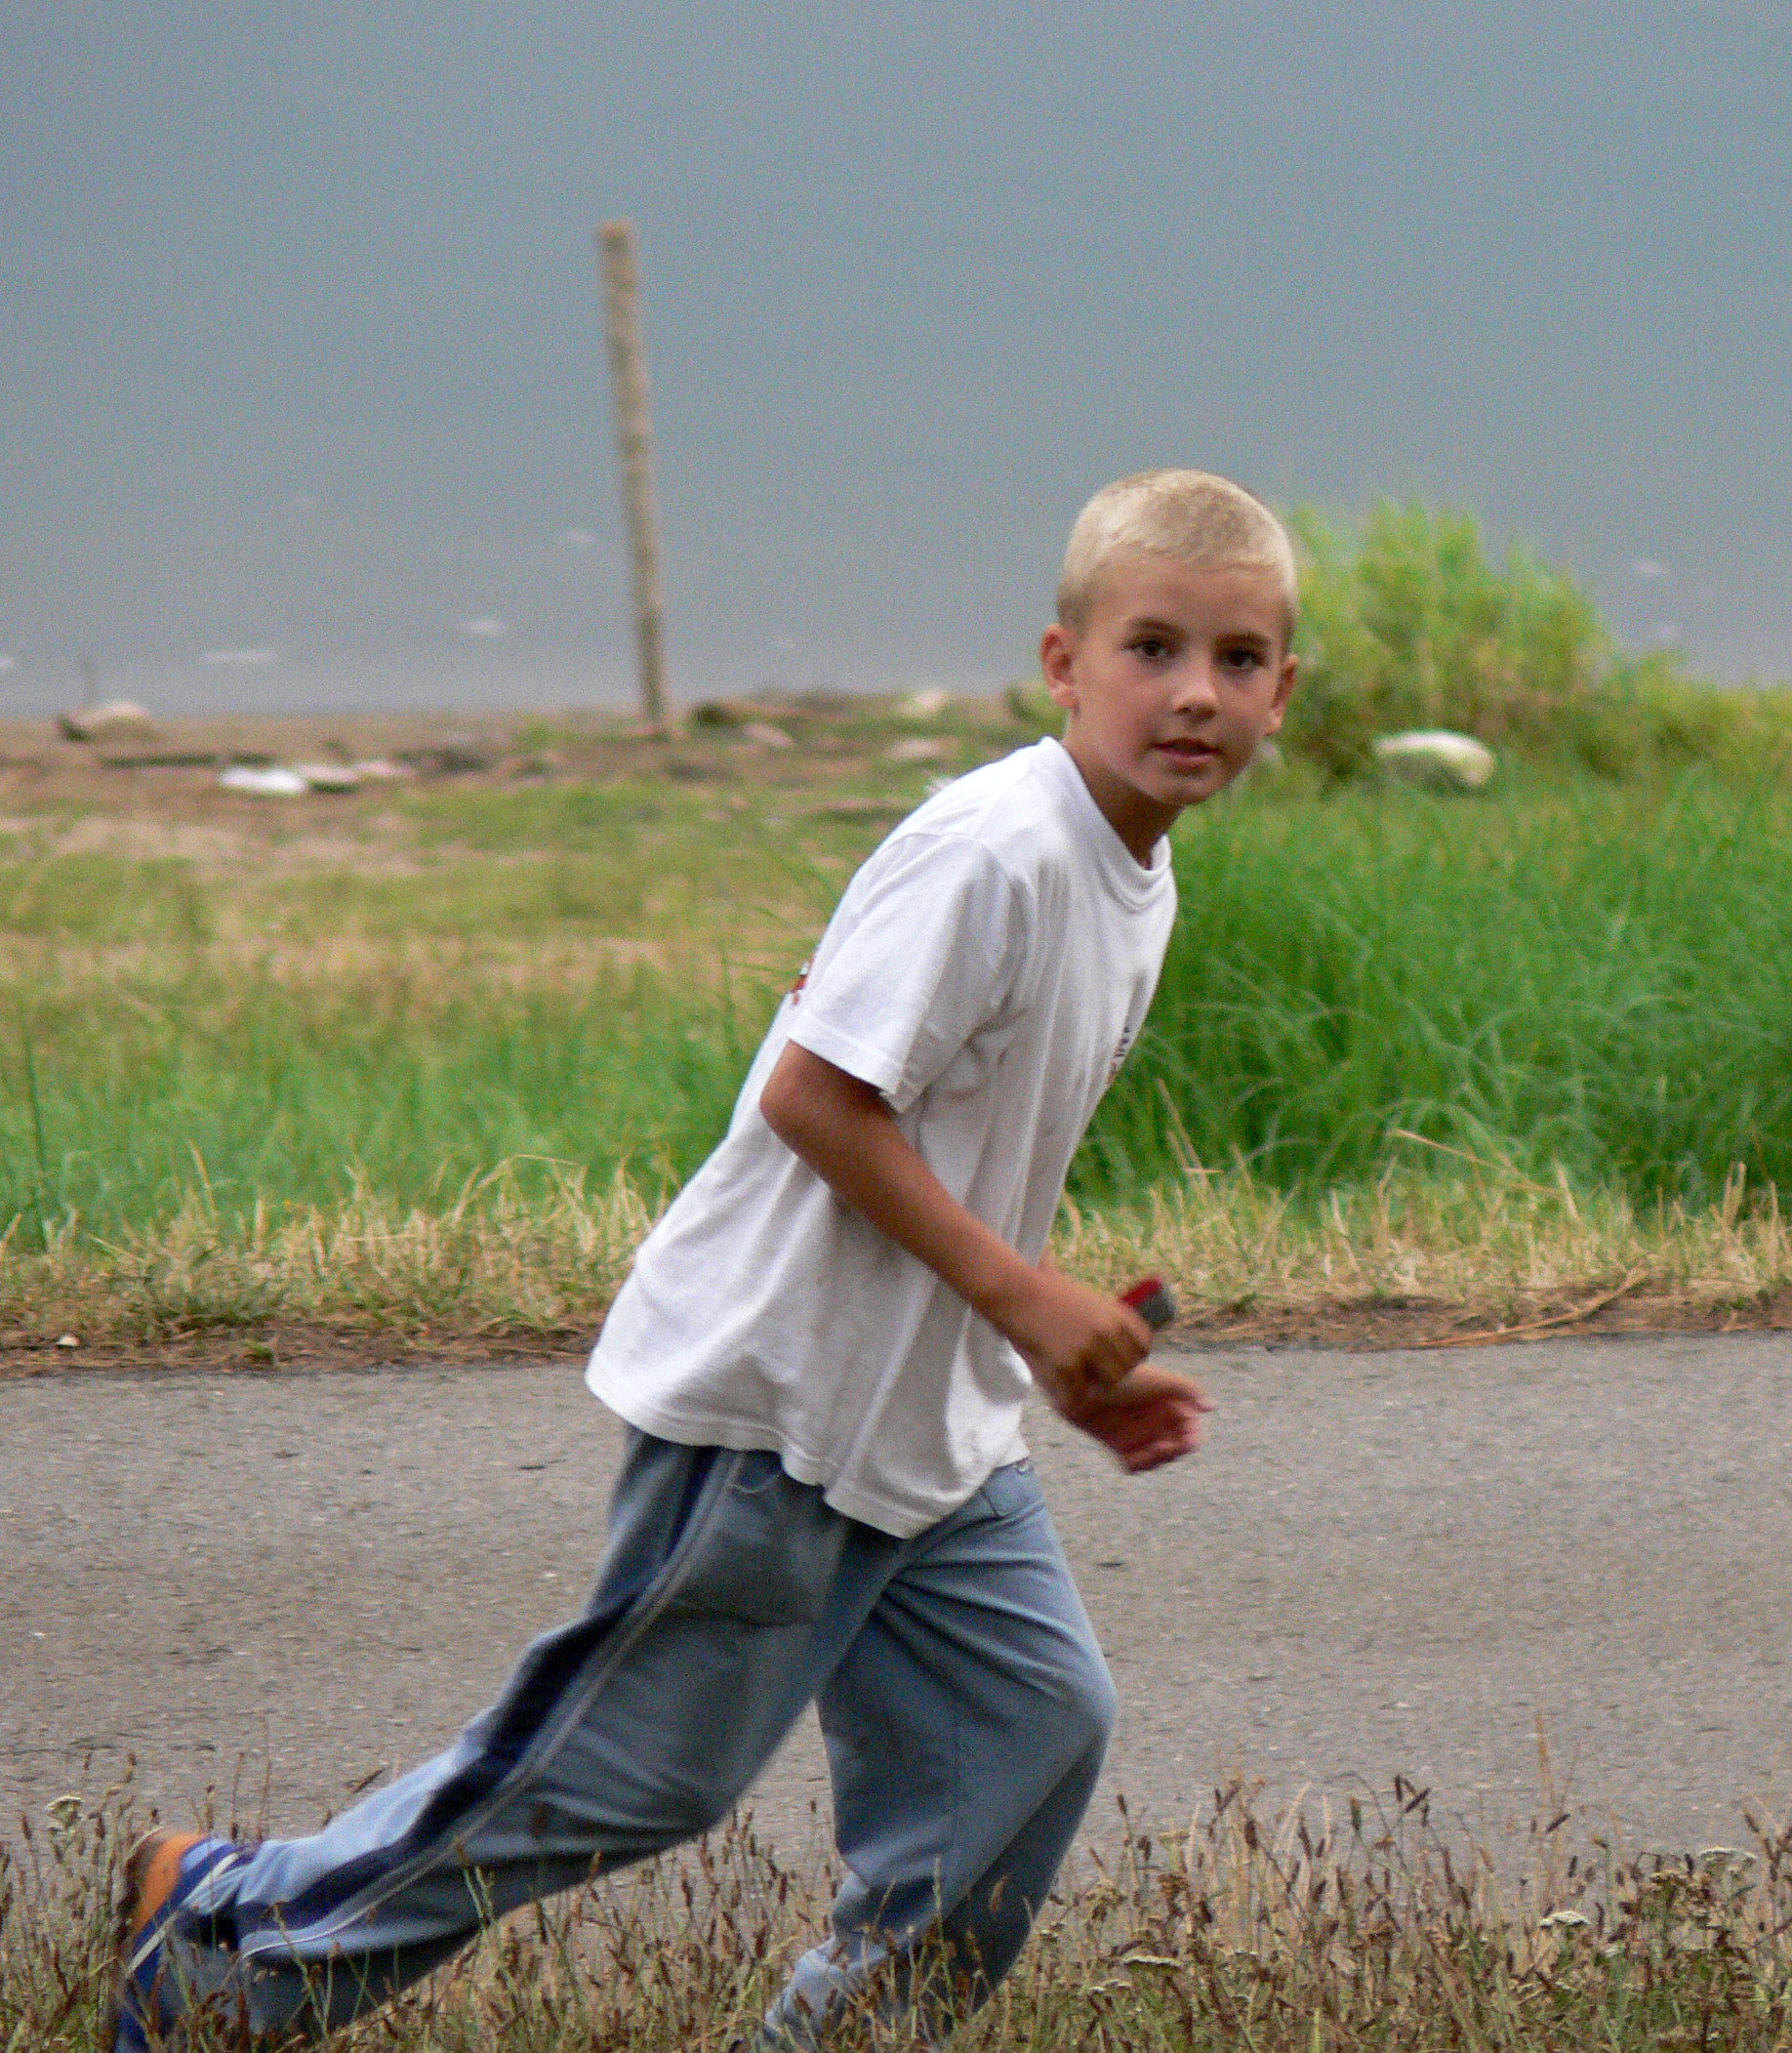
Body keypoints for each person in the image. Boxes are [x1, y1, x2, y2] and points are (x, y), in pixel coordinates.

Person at [110, 468, 1299, 2051]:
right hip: (780, 1399)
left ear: (1284, 691)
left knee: (1028, 1731)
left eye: (1236, 659)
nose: (1195, 693)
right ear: (1063, 664)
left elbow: (964, 1149)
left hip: (922, 1419)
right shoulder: (995, 851)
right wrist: (1024, 1298)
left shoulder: (1131, 870)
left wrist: (1040, 1352)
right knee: (629, 1777)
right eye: (1152, 648)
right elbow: (816, 1097)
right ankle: (226, 1939)